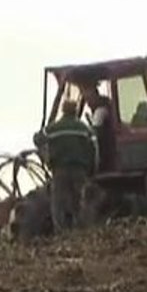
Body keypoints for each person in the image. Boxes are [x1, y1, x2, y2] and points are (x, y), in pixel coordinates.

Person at [34, 99, 97, 233]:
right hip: (80, 170)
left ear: (62, 110)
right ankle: (82, 231)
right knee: (80, 201)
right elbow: (94, 150)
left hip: (59, 170)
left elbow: (37, 139)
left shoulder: (52, 128)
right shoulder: (85, 128)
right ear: (75, 111)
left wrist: (45, 157)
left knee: (58, 203)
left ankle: (62, 232)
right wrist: (93, 169)